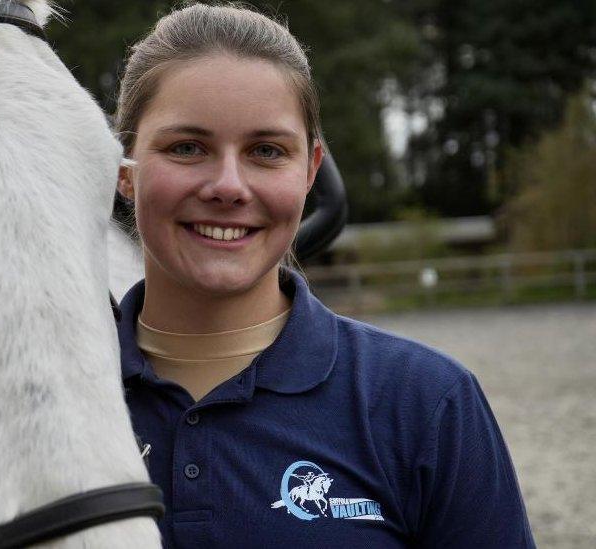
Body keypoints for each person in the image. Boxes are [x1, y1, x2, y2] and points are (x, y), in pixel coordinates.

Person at [112, 4, 535, 547]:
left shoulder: (426, 403)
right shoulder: (36, 396)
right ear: (123, 165)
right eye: (187, 148)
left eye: (267, 151)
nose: (228, 185)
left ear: (310, 171)